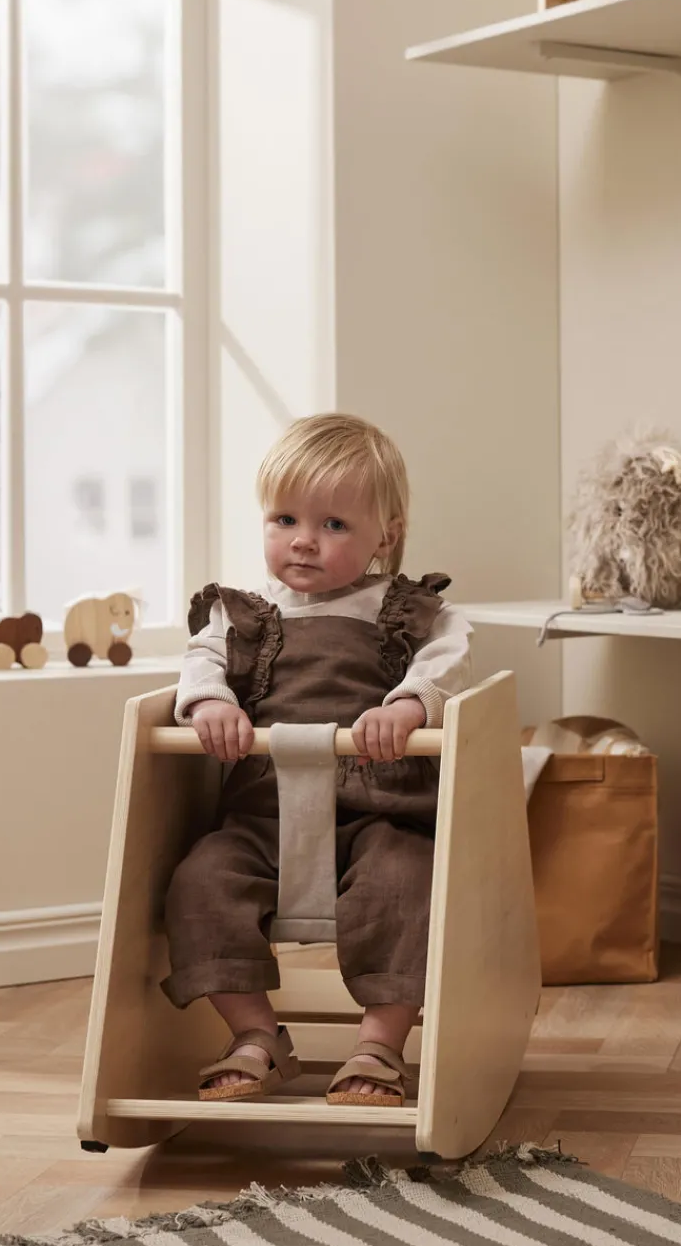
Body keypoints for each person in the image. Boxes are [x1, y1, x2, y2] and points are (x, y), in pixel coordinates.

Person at [162, 413, 472, 1105]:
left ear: (385, 535)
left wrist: (408, 705)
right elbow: (199, 661)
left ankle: (380, 1044)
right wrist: (210, 702)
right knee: (200, 882)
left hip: (378, 811)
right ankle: (256, 1034)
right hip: (262, 815)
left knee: (406, 883)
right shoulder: (241, 616)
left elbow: (448, 660)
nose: (303, 540)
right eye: (285, 519)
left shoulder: (407, 610)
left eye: (333, 524)